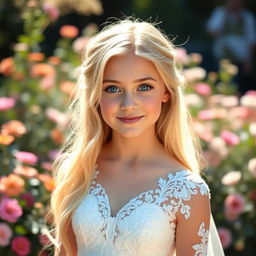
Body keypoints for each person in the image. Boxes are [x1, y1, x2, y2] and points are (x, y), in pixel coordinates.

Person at [46, 18, 225, 256]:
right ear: (96, 95)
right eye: (112, 88)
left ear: (166, 91)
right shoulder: (79, 169)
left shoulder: (188, 191)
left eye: (144, 87)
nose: (128, 104)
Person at [206, 0, 256, 95]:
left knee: (237, 89)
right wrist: (225, 15)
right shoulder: (220, 13)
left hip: (240, 61)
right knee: (222, 87)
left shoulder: (247, 17)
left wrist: (248, 61)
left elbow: (252, 41)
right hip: (222, 58)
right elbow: (212, 32)